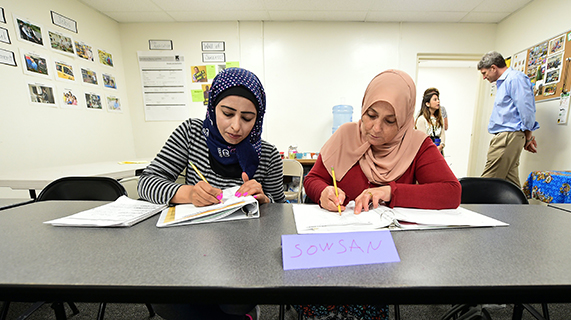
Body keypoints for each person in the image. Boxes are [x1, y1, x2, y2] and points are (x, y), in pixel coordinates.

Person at [299, 70, 461, 320]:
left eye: (389, 121)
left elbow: (450, 192)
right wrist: (323, 192)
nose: (375, 128)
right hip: (331, 249)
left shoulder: (417, 144)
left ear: (405, 120)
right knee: (319, 302)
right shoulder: (345, 135)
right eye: (371, 116)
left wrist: (390, 190)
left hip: (381, 256)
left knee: (366, 304)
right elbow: (313, 179)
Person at [138, 67, 285, 320]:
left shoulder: (268, 155)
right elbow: (147, 182)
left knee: (235, 305)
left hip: (243, 255)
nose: (236, 127)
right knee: (168, 304)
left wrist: (266, 201)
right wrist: (187, 193)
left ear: (258, 119)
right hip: (190, 248)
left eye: (248, 118)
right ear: (212, 106)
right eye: (227, 113)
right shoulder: (191, 134)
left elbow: (283, 213)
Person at [477, 51, 539, 187]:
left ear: (493, 68)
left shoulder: (515, 79)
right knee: (510, 185)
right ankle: (521, 209)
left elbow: (526, 110)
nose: (484, 77)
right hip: (509, 136)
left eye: (484, 73)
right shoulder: (505, 82)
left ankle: (471, 207)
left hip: (508, 137)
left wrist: (528, 136)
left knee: (487, 184)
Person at [415, 87, 446, 154]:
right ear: (427, 104)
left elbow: (443, 134)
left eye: (438, 99)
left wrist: (441, 146)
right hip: (427, 151)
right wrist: (433, 148)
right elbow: (423, 139)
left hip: (439, 151)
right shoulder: (422, 119)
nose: (438, 101)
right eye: (435, 99)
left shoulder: (440, 119)